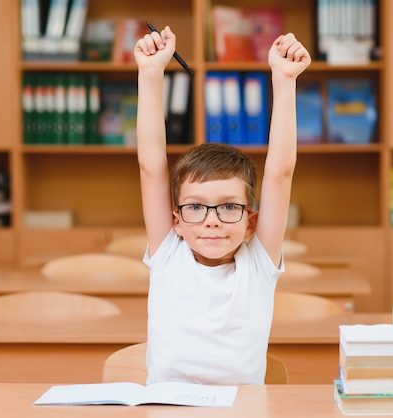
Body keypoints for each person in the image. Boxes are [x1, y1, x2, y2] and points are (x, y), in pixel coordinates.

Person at [134, 26, 311, 385]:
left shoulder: (258, 265)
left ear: (251, 222)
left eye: (229, 207)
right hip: (166, 409)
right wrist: (150, 74)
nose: (211, 221)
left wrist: (285, 78)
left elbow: (280, 173)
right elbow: (151, 166)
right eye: (195, 208)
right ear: (176, 221)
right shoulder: (169, 254)